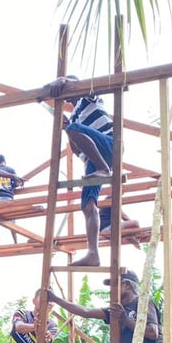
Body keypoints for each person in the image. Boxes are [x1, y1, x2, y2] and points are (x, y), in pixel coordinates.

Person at [41, 75, 139, 267]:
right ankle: (93, 254)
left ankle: (103, 168)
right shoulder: (74, 117)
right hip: (93, 160)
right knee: (87, 205)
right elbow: (78, 150)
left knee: (74, 128)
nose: (67, 97)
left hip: (110, 146)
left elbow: (74, 81)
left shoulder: (89, 97)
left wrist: (61, 79)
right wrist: (66, 129)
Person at [0, 154, 24, 245]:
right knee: (12, 221)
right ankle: (15, 242)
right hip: (8, 197)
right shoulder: (11, 170)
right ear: (4, 161)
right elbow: (16, 183)